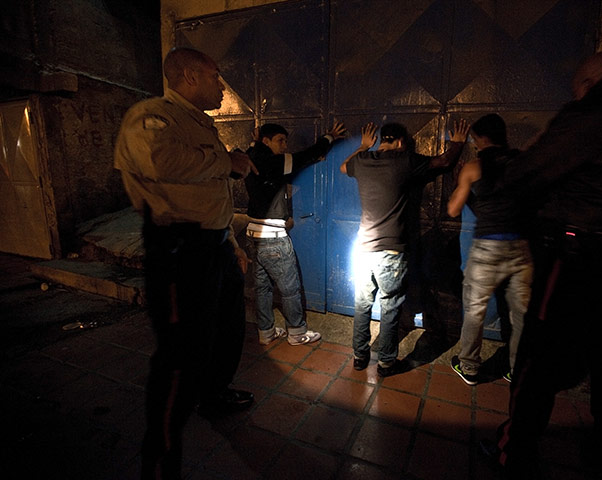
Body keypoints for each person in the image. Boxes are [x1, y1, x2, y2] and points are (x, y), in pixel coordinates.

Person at [473, 51, 602, 478]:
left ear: (589, 83)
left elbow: (525, 176)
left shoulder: (592, 114)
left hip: (579, 260)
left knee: (537, 361)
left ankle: (514, 452)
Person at [114, 47, 258, 479]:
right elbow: (159, 161)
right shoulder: (151, 116)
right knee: (181, 353)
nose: (222, 86)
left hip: (212, 243)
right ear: (191, 77)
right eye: (216, 77)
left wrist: (229, 241)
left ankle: (214, 394)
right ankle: (160, 456)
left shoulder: (201, 124)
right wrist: (226, 161)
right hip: (179, 250)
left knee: (228, 327)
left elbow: (209, 197)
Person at [340, 120, 470, 377]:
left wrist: (364, 146)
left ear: (382, 141)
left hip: (363, 248)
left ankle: (359, 356)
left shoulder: (363, 159)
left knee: (362, 303)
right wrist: (458, 142)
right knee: (389, 307)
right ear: (401, 143)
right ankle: (387, 363)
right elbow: (443, 162)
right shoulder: (405, 161)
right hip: (392, 250)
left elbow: (344, 167)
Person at [446, 114, 533, 386]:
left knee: (474, 310)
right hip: (521, 247)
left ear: (481, 138)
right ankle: (517, 370)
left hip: (488, 246)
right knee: (520, 314)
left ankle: (469, 366)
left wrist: (463, 180)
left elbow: (453, 209)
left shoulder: (474, 166)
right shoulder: (523, 161)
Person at [244, 120, 346, 346]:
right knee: (290, 289)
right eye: (280, 141)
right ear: (266, 140)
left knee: (262, 287)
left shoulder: (251, 157)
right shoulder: (272, 161)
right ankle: (297, 333)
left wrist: (254, 141)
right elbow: (303, 157)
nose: (284, 146)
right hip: (273, 238)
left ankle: (266, 332)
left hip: (253, 235)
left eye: (285, 142)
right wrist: (328, 139)